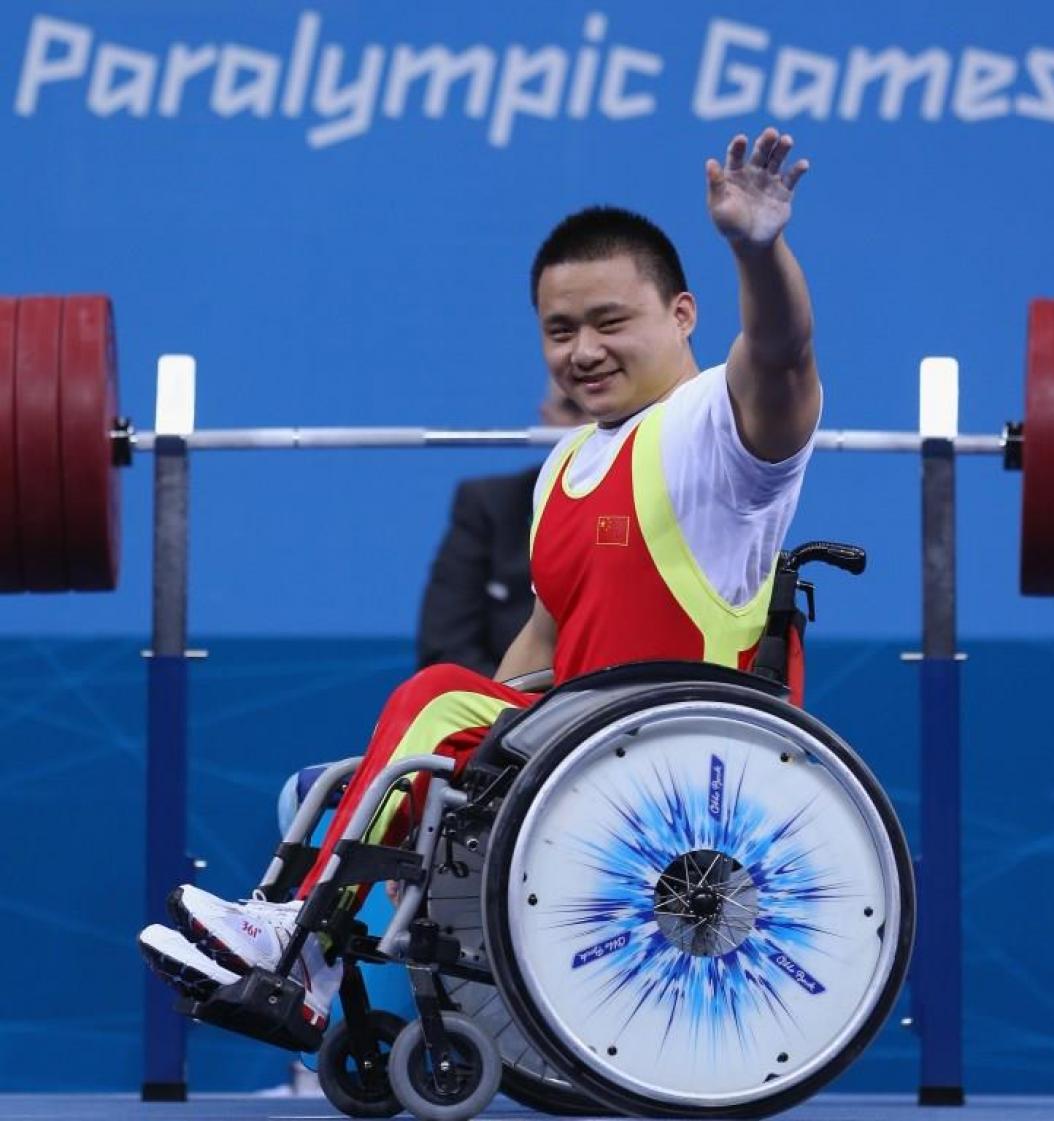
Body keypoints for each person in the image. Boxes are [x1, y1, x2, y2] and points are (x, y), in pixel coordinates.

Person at [138, 126, 824, 1032]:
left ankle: (292, 946)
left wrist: (759, 247)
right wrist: (462, 757)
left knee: (435, 696)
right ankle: (328, 978)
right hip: (577, 748)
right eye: (560, 329)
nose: (583, 350)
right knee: (376, 768)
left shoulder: (720, 432)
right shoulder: (567, 464)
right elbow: (541, 641)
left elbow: (781, 353)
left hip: (676, 758)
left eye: (610, 321)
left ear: (684, 314)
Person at [416, 383, 584, 675]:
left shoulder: (670, 503)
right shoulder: (490, 507)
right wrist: (522, 714)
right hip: (516, 709)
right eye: (572, 406)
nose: (592, 417)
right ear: (547, 417)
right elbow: (446, 648)